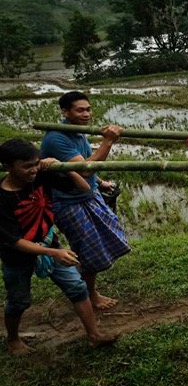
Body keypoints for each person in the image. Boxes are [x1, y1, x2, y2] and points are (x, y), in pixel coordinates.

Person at [1, 139, 118, 354]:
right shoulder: (2, 198)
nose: (33, 170)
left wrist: (60, 165)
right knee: (18, 301)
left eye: (36, 163)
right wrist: (53, 252)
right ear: (9, 166)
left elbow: (83, 187)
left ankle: (95, 335)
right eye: (26, 166)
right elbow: (15, 241)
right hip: (18, 255)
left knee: (76, 286)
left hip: (48, 242)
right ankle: (13, 339)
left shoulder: (41, 176)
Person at [40, 91, 130, 311]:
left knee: (104, 240)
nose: (86, 114)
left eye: (88, 109)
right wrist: (108, 141)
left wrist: (101, 183)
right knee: (87, 250)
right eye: (80, 110)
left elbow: (86, 164)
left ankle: (88, 288)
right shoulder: (57, 137)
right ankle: (90, 294)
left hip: (89, 196)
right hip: (69, 203)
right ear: (65, 111)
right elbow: (85, 169)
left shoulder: (77, 132)